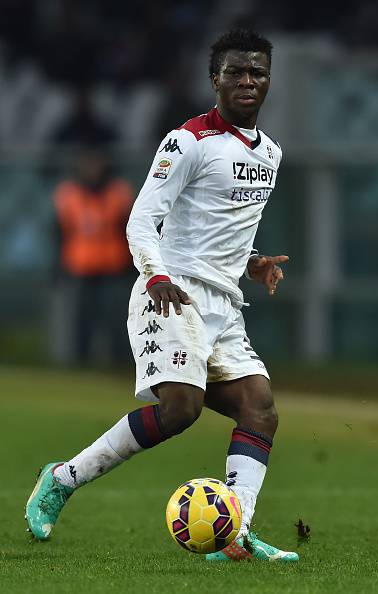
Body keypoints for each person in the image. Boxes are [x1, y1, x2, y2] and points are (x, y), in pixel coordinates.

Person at [26, 29, 299, 563]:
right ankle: (62, 477)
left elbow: (218, 232)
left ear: (268, 81)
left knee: (260, 409)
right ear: (214, 79)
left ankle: (236, 535)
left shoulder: (270, 153)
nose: (247, 81)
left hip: (225, 304)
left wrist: (252, 260)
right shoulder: (187, 141)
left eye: (258, 73)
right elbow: (142, 220)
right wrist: (155, 276)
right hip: (171, 293)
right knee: (180, 409)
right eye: (236, 72)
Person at [51, 150, 135, 364]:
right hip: (80, 267)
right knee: (81, 323)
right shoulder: (68, 194)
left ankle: (120, 364)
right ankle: (80, 365)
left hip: (113, 267)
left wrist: (133, 266)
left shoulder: (119, 192)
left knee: (117, 320)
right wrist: (58, 267)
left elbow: (130, 231)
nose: (92, 169)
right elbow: (58, 233)